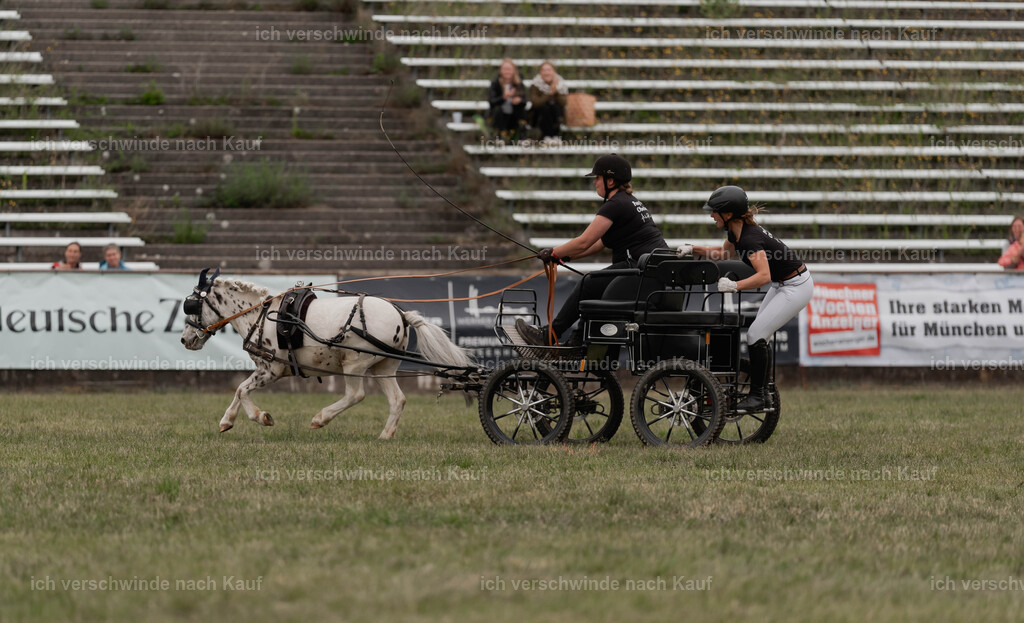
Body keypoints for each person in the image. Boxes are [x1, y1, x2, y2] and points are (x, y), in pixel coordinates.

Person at [517, 154, 669, 346]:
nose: (595, 182)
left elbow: (584, 241)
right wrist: (566, 257)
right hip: (649, 273)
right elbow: (599, 243)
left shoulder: (615, 205)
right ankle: (577, 342)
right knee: (595, 288)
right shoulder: (627, 201)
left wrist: (554, 252)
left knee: (588, 283)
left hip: (640, 272)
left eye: (597, 177)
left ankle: (550, 335)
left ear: (610, 180)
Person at [687, 186, 813, 411]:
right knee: (759, 336)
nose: (711, 215)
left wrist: (735, 286)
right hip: (784, 284)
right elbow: (723, 254)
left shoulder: (749, 239)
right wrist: (692, 248)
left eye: (714, 211)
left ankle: (758, 396)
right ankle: (763, 393)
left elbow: (763, 276)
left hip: (796, 287)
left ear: (728, 214)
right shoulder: (736, 232)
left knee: (756, 335)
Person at [528, 61, 568, 144]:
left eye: (549, 70)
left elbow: (564, 103)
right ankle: (547, 136)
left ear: (554, 71)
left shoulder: (560, 84)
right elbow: (535, 103)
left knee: (555, 106)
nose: (546, 72)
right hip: (538, 115)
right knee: (545, 107)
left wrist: (556, 92)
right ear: (540, 72)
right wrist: (549, 94)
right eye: (544, 70)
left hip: (556, 114)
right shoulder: (535, 85)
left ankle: (555, 136)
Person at [487, 58, 526, 141]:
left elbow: (524, 101)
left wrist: (518, 101)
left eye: (509, 69)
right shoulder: (495, 84)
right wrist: (503, 98)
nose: (507, 71)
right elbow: (491, 102)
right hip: (500, 117)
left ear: (514, 70)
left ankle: (521, 137)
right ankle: (498, 136)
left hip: (513, 117)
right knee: (498, 109)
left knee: (521, 111)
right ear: (500, 71)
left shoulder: (519, 84)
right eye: (505, 69)